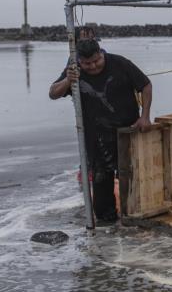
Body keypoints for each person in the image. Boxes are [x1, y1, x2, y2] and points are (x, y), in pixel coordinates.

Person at [49, 39, 152, 224]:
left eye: (96, 61)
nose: (93, 66)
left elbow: (145, 85)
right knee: (101, 180)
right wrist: (68, 80)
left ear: (101, 53)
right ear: (79, 60)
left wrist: (145, 116)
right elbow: (53, 93)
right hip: (96, 137)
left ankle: (135, 218)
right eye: (87, 63)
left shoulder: (120, 63)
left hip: (127, 131)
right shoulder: (74, 72)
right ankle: (107, 223)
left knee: (131, 176)